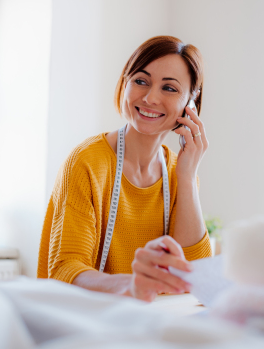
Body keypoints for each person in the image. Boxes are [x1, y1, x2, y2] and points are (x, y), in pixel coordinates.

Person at [37, 36, 211, 302]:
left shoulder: (180, 172)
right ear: (125, 83)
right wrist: (131, 285)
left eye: (169, 88)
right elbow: (64, 269)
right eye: (141, 81)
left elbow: (195, 276)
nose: (151, 97)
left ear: (191, 100)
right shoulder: (87, 162)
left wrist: (187, 177)